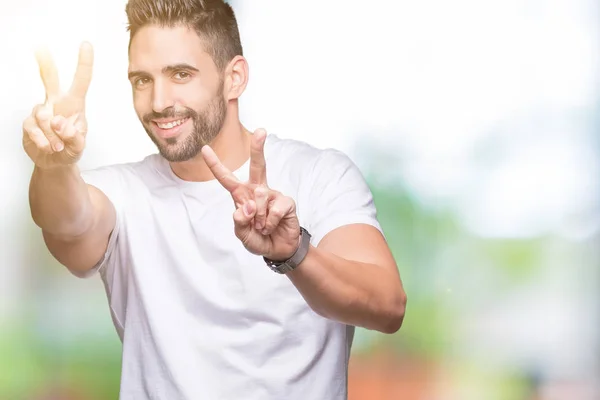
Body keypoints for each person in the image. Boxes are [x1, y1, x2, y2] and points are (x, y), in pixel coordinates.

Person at [22, 0, 407, 399]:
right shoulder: (123, 196)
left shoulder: (319, 176)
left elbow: (387, 306)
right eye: (142, 80)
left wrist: (294, 253)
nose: (158, 102)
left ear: (235, 77)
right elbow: (66, 220)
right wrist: (54, 164)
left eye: (181, 74)